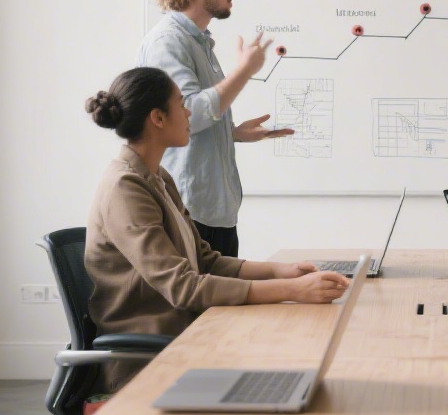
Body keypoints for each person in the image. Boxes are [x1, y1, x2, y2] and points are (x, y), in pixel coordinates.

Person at [84, 67, 348, 390]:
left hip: (186, 336)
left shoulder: (158, 177)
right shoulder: (125, 188)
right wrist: (293, 291)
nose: (187, 112)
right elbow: (183, 287)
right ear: (158, 118)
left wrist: (283, 271)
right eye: (181, 104)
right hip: (150, 360)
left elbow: (205, 260)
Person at [139, 0, 293, 258]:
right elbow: (188, 115)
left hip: (215, 216)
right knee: (207, 310)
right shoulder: (169, 42)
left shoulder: (200, 44)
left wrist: (234, 133)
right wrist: (245, 71)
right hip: (191, 216)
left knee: (227, 308)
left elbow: (192, 121)